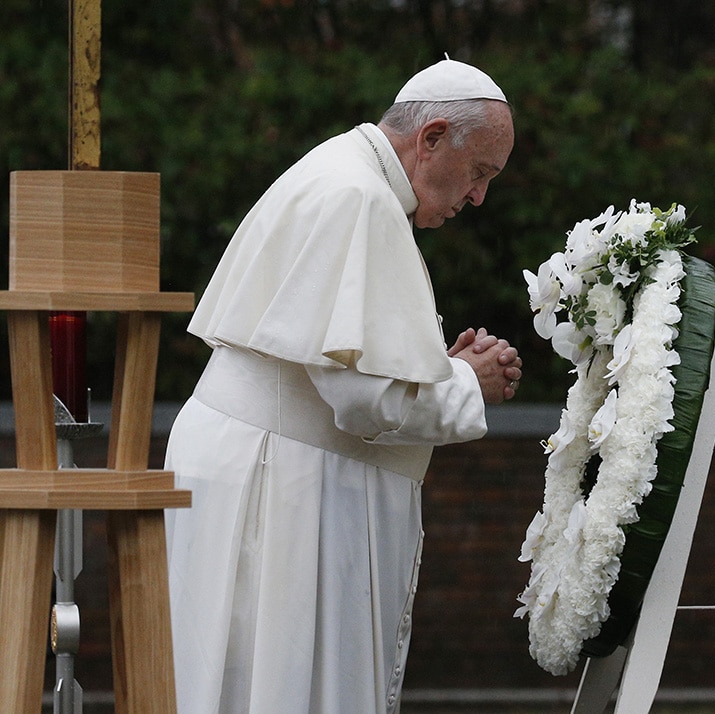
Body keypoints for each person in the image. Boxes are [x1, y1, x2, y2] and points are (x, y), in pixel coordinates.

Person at [164, 56, 521, 714]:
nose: (478, 198)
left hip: (267, 470)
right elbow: (363, 402)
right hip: (280, 487)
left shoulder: (343, 174)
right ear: (432, 137)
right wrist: (468, 384)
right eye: (479, 174)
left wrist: (435, 367)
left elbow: (340, 364)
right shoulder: (359, 198)